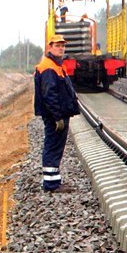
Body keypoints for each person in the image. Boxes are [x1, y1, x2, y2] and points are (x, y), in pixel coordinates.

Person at [33, 34, 81, 193]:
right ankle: (51, 184)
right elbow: (49, 94)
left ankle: (54, 181)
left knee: (56, 146)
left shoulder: (56, 64)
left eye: (62, 45)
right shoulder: (48, 67)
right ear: (50, 47)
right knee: (53, 146)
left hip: (58, 114)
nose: (61, 48)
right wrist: (57, 117)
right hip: (54, 116)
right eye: (57, 45)